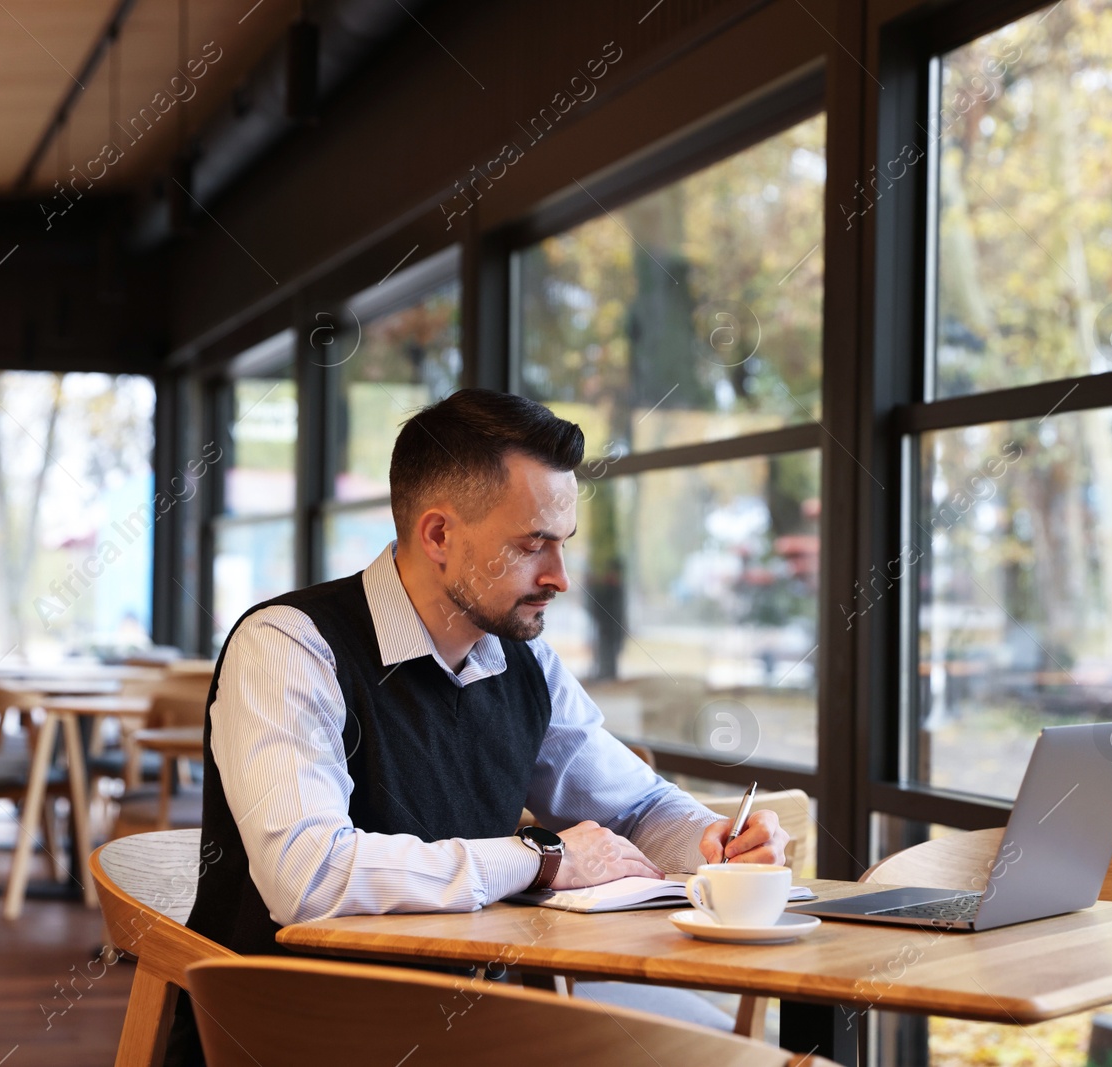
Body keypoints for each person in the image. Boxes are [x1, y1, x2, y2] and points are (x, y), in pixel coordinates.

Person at [167, 389, 789, 1062]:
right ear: (439, 534)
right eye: (534, 544)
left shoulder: (526, 662)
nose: (560, 577)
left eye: (562, 544)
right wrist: (542, 858)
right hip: (290, 1036)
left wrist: (711, 841)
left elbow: (635, 805)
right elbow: (310, 876)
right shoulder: (291, 645)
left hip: (463, 1032)